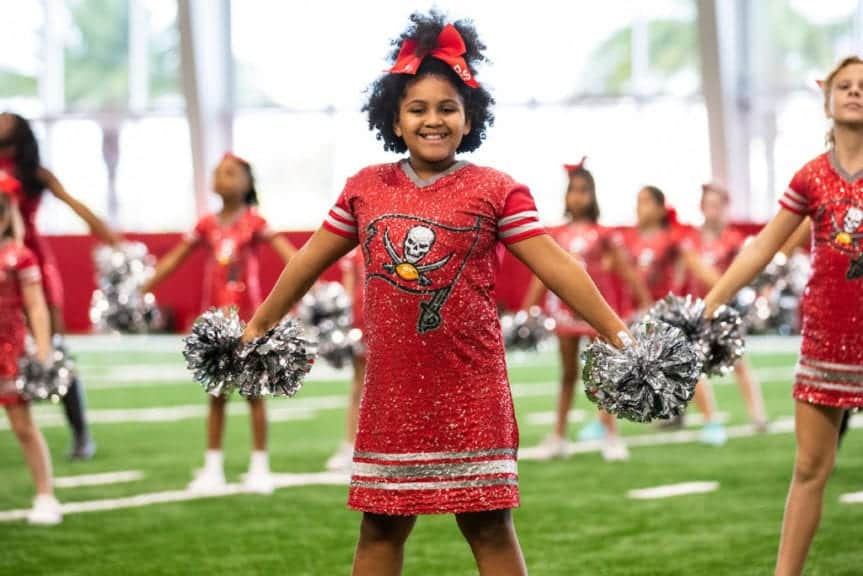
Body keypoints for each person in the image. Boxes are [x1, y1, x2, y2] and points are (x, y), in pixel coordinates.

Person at [239, 13, 632, 575]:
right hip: (393, 391)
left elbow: (559, 267)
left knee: (490, 526)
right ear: (394, 120)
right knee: (379, 528)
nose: (433, 120)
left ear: (469, 117)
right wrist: (258, 325)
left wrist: (616, 332)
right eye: (417, 108)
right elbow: (306, 260)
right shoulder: (365, 187)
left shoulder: (497, 189)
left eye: (447, 108)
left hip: (472, 389)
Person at [704, 56, 863, 575]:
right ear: (827, 98)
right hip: (826, 338)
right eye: (845, 85)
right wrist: (712, 301)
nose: (855, 92)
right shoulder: (812, 176)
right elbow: (761, 249)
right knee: (810, 467)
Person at [141, 153, 296, 494]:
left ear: (247, 183)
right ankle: (213, 466)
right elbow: (174, 260)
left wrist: (299, 289)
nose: (221, 178)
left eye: (230, 173)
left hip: (251, 319)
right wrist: (143, 286)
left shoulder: (255, 222)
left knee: (255, 391)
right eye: (217, 173)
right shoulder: (206, 225)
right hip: (215, 320)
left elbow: (292, 257)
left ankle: (260, 466)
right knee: (216, 392)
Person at [0, 112, 120, 460]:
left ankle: (81, 433)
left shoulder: (35, 173)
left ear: (21, 131)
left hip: (31, 262)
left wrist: (112, 239)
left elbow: (75, 205)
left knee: (52, 348)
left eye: (7, 118)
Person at [523, 159, 651, 461]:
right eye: (573, 191)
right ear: (566, 195)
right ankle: (558, 436)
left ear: (593, 195)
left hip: (595, 311)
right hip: (566, 313)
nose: (578, 197)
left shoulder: (605, 234)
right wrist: (528, 306)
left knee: (604, 372)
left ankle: (610, 434)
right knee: (567, 373)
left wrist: (644, 300)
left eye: (584, 191)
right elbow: (543, 272)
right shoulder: (555, 233)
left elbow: (626, 270)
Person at [680, 182, 767, 430]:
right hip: (695, 311)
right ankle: (708, 420)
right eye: (709, 205)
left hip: (723, 311)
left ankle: (757, 415)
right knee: (691, 364)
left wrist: (721, 287)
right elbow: (688, 272)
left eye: (718, 205)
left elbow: (741, 274)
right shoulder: (690, 240)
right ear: (701, 206)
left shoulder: (734, 240)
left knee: (738, 361)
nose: (713, 210)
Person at [0, 176, 61, 524]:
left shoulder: (19, 257)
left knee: (23, 426)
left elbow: (36, 307)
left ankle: (45, 494)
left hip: (9, 352)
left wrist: (42, 349)